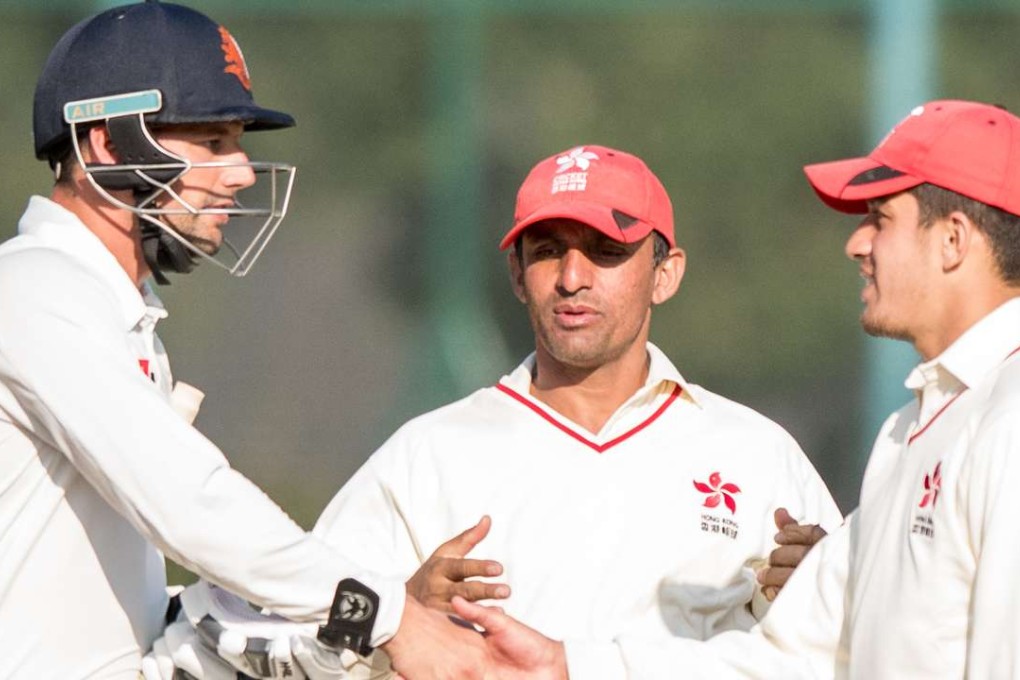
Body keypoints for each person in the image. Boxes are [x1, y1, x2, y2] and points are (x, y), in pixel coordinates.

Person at [153, 144, 841, 679]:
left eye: (606, 252)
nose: (572, 278)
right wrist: (401, 605)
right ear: (516, 275)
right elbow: (305, 646)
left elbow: (843, 643)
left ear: (666, 271)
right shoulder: (431, 454)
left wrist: (821, 588)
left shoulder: (755, 453)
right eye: (547, 252)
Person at [0, 2, 498, 678]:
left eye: (238, 141)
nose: (240, 171)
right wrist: (390, 617)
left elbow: (120, 623)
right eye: (212, 142)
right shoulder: (35, 291)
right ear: (108, 145)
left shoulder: (111, 308)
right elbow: (190, 502)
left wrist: (348, 626)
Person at [453, 99, 1020, 680]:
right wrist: (562, 664)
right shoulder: (910, 428)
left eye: (881, 218)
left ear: (953, 240)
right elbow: (787, 657)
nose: (857, 244)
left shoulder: (1008, 417)